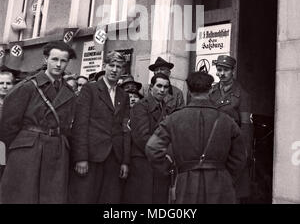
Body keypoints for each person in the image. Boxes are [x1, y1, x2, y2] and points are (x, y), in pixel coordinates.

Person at [146, 71, 247, 204]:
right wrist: (226, 175)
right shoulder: (227, 120)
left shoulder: (174, 118)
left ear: (189, 90)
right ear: (211, 90)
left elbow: (152, 148)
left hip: (186, 181)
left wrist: (171, 169)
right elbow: (240, 156)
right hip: (220, 182)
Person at [0, 41, 77, 204]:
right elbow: (8, 125)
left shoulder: (69, 92)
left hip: (56, 151)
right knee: (23, 196)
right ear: (45, 60)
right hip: (28, 151)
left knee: (52, 197)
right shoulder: (28, 87)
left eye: (63, 61)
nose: (58, 64)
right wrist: (22, 146)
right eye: (54, 59)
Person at [69, 51, 130, 204]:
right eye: (111, 65)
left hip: (113, 158)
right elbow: (80, 125)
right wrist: (81, 157)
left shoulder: (124, 95)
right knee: (85, 198)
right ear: (104, 66)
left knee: (109, 200)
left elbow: (125, 129)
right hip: (91, 156)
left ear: (123, 71)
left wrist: (125, 161)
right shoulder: (90, 89)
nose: (114, 70)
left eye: (119, 67)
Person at [209, 55, 253, 202]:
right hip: (213, 146)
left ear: (233, 71)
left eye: (226, 70)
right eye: (219, 70)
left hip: (232, 147)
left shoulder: (242, 96)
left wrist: (243, 154)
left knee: (232, 191)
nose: (221, 73)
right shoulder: (211, 92)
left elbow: (246, 127)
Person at [122, 73, 171, 204]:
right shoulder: (141, 106)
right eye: (159, 86)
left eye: (166, 87)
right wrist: (162, 154)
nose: (162, 90)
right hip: (142, 161)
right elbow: (141, 137)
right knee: (142, 199)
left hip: (158, 162)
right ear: (151, 87)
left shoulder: (167, 109)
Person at [0, 71, 15, 180]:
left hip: (11, 149)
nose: (4, 86)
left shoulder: (19, 103)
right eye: (1, 83)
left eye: (8, 83)